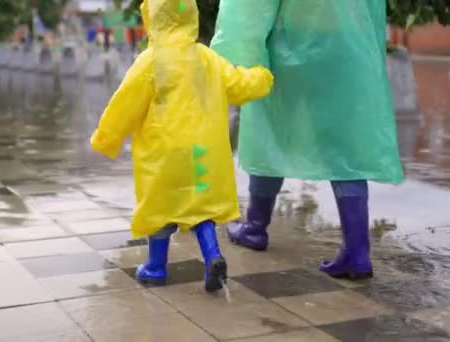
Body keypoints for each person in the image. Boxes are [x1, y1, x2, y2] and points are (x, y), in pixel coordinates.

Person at [211, 0, 404, 279]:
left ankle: (255, 227)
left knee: (270, 131)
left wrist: (240, 52)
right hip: (345, 43)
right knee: (344, 146)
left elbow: (249, 8)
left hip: (288, 41)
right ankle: (357, 252)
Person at [90, 0, 273, 292]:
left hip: (163, 156)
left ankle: (155, 267)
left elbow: (125, 102)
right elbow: (238, 85)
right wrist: (263, 77)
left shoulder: (151, 60)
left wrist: (106, 136)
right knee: (200, 209)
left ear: (153, 18)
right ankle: (213, 255)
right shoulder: (206, 58)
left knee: (160, 210)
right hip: (202, 154)